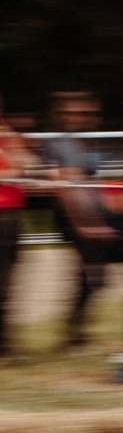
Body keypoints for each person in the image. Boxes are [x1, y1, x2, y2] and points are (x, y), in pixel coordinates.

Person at [42, 91, 109, 347]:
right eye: (76, 113)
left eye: (90, 114)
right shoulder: (59, 144)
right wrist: (82, 224)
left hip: (92, 214)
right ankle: (74, 331)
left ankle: (76, 330)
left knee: (95, 277)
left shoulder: (87, 142)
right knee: (94, 275)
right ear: (61, 115)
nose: (84, 118)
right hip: (74, 216)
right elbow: (63, 187)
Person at [0, 95, 36, 359]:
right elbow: (17, 170)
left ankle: (4, 344)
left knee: (5, 282)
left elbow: (27, 165)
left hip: (10, 215)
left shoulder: (7, 133)